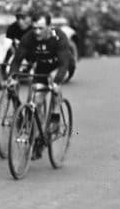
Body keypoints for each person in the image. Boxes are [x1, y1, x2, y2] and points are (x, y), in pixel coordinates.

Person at [6, 9, 74, 155]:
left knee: (53, 82)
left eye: (41, 28)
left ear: (49, 27)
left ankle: (55, 118)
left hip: (62, 66)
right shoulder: (28, 38)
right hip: (43, 66)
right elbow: (16, 61)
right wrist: (13, 77)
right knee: (36, 99)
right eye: (35, 27)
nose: (37, 32)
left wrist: (56, 83)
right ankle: (39, 135)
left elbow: (63, 65)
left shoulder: (59, 37)